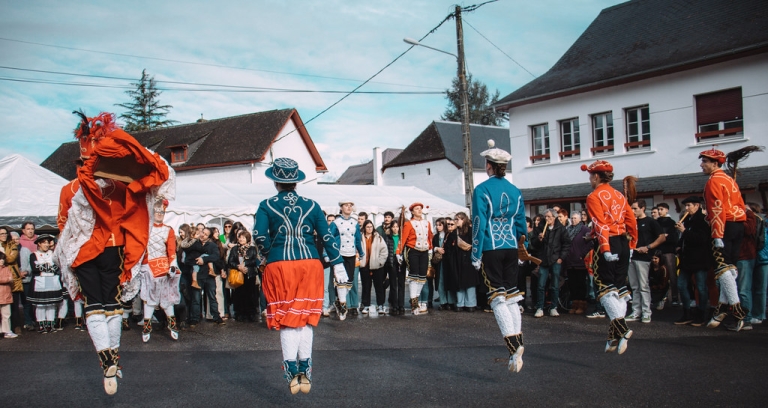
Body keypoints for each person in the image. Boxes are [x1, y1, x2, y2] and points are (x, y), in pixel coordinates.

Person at [54, 111, 172, 395]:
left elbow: (62, 225)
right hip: (113, 248)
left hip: (82, 252)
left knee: (93, 304)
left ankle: (105, 357)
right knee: (112, 305)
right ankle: (114, 359)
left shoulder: (69, 189)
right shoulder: (120, 185)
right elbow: (138, 203)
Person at [253, 157, 345, 394]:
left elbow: (260, 236)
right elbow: (327, 236)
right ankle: (306, 368)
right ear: (296, 181)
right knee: (304, 317)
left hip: (280, 265)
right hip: (310, 264)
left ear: (276, 182)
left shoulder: (266, 205)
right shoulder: (312, 205)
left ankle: (291, 370)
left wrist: (268, 253)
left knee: (287, 319)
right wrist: (338, 263)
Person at [471, 140, 527, 372]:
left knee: (497, 299)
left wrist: (475, 253)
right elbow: (522, 224)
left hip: (491, 248)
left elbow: (479, 223)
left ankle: (513, 345)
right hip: (512, 248)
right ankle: (518, 347)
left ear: (489, 166)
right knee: (512, 296)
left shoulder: (481, 190)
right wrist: (523, 248)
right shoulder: (515, 191)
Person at [582, 160, 638, 354]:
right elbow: (631, 220)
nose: (590, 179)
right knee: (619, 287)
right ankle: (615, 334)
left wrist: (604, 248)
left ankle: (622, 329)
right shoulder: (619, 195)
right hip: (623, 241)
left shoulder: (594, 196)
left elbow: (600, 224)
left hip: (608, 242)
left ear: (596, 176)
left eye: (590, 176)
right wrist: (631, 245)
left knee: (604, 287)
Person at [698, 148, 748, 331]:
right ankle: (720, 310)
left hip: (724, 226)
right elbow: (741, 205)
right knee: (731, 269)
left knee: (723, 269)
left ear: (715, 163)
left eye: (705, 161)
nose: (702, 165)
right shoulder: (730, 180)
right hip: (738, 224)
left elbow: (717, 209)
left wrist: (717, 234)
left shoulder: (713, 182)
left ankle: (737, 311)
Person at [139, 199, 181, 342]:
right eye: (157, 211)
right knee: (149, 297)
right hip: (148, 265)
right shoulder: (145, 228)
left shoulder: (168, 230)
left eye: (162, 212)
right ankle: (147, 325)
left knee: (167, 296)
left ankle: (172, 324)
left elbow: (171, 250)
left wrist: (173, 265)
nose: (159, 214)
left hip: (163, 265)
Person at [674, 196, 712, 326]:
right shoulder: (688, 220)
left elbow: (701, 239)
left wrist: (684, 231)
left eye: (689, 205)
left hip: (700, 259)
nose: (687, 208)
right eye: (686, 206)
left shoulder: (703, 221)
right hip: (687, 259)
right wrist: (679, 245)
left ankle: (701, 313)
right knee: (681, 285)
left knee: (701, 287)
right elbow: (684, 238)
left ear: (697, 206)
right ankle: (687, 312)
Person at [626, 199, 665, 323]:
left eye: (635, 208)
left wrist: (648, 247)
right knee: (634, 286)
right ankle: (636, 311)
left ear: (642, 208)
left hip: (643, 257)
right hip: (631, 255)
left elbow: (662, 237)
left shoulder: (651, 222)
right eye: (631, 208)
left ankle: (646, 312)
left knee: (643, 286)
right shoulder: (631, 222)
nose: (633, 211)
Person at [531, 208, 571, 318]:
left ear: (554, 217)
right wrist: (538, 240)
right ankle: (540, 307)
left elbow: (566, 244)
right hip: (543, 260)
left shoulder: (561, 228)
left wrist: (561, 257)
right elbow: (533, 243)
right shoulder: (540, 228)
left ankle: (554, 307)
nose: (547, 219)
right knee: (541, 285)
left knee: (555, 285)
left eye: (549, 217)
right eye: (546, 217)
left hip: (555, 259)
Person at [397, 202, 434, 315]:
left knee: (422, 277)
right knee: (414, 276)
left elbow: (430, 236)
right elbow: (403, 238)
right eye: (416, 209)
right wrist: (398, 252)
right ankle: (414, 303)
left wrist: (431, 248)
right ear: (412, 212)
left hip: (424, 251)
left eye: (420, 209)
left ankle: (416, 298)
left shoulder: (426, 223)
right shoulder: (409, 224)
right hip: (412, 250)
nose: (419, 210)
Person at [331, 201, 364, 319]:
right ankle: (343, 307)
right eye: (346, 205)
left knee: (349, 282)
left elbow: (357, 239)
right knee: (341, 280)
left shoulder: (355, 223)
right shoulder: (336, 223)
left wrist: (361, 252)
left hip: (351, 254)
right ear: (341, 208)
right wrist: (328, 253)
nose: (349, 207)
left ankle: (339, 301)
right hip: (340, 254)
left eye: (350, 206)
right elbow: (329, 239)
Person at [28, 234, 64, 333]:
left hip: (52, 281)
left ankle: (50, 324)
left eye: (48, 242)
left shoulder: (53, 254)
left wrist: (44, 267)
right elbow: (35, 268)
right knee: (41, 305)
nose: (46, 244)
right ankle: (41, 325)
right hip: (40, 282)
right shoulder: (33, 255)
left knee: (51, 304)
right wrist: (48, 267)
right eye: (44, 242)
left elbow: (57, 266)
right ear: (39, 244)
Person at [443, 212, 478, 312]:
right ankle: (460, 303)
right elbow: (448, 247)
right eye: (455, 219)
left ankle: (470, 303)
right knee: (458, 281)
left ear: (463, 219)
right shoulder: (453, 233)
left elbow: (475, 244)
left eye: (457, 219)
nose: (455, 221)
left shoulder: (471, 231)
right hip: (457, 261)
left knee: (470, 282)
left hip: (468, 259)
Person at [228, 230, 260, 322]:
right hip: (238, 274)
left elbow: (255, 261)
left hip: (249, 274)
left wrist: (245, 264)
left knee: (250, 294)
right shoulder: (235, 249)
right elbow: (230, 261)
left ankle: (250, 313)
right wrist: (238, 266)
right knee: (239, 294)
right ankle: (239, 313)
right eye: (240, 237)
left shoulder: (252, 249)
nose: (241, 239)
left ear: (247, 239)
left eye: (243, 237)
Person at [564, 212, 592, 314]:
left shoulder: (585, 230)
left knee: (581, 284)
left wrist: (582, 254)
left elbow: (590, 243)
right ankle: (574, 304)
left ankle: (582, 305)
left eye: (575, 218)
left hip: (580, 261)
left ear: (580, 219)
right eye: (572, 218)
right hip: (570, 261)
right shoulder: (568, 230)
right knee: (572, 284)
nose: (573, 220)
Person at [655, 203, 679, 307]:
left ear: (667, 210)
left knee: (672, 274)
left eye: (662, 209)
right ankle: (658, 296)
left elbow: (674, 238)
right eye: (658, 209)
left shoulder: (671, 222)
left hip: (668, 251)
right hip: (658, 250)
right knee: (658, 274)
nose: (660, 211)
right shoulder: (656, 222)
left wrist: (664, 238)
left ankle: (674, 297)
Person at [387, 220, 405, 315]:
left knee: (401, 282)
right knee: (393, 283)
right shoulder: (388, 238)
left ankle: (401, 304)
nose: (395, 228)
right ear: (391, 228)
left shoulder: (402, 238)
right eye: (393, 227)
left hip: (401, 259)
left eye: (397, 227)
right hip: (392, 260)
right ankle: (394, 304)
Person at [0, 252, 18, 338]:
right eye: (0, 259)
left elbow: (11, 278)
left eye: (3, 259)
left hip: (6, 293)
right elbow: (7, 279)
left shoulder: (6, 268)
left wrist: (7, 279)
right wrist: (7, 279)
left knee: (6, 314)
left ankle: (7, 331)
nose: (1, 261)